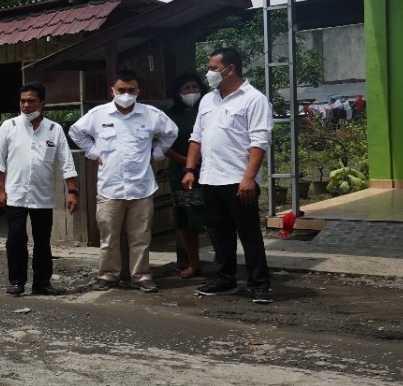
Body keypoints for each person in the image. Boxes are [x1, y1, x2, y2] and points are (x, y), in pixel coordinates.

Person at [68, 69, 178, 293]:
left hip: (141, 187)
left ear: (139, 91)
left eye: (131, 90)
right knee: (109, 237)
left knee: (141, 237)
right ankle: (108, 275)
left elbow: (171, 132)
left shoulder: (150, 114)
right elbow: (75, 131)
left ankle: (142, 276)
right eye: (121, 90)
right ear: (113, 91)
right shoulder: (98, 115)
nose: (126, 94)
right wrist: (93, 151)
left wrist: (155, 155)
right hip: (110, 188)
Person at [182, 47, 275, 304]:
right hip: (210, 178)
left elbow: (259, 142)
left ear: (230, 69)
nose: (209, 73)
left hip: (238, 179)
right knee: (218, 233)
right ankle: (225, 280)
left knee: (249, 233)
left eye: (213, 68)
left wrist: (249, 178)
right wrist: (190, 170)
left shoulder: (254, 99)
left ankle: (259, 285)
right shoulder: (208, 100)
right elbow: (196, 138)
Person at [0, 82, 78, 296]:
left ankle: (42, 283)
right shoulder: (9, 126)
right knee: (17, 238)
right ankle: (16, 282)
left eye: (31, 101)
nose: (26, 105)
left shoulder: (53, 129)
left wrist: (72, 191)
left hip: (42, 195)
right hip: (15, 194)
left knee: (42, 240)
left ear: (43, 103)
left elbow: (66, 162)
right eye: (23, 101)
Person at [163, 71, 209, 278]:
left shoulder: (209, 110)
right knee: (187, 222)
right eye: (187, 88)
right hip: (181, 173)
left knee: (215, 219)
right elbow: (162, 145)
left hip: (212, 170)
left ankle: (225, 263)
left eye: (195, 87)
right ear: (178, 93)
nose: (192, 92)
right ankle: (193, 263)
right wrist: (187, 162)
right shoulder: (169, 116)